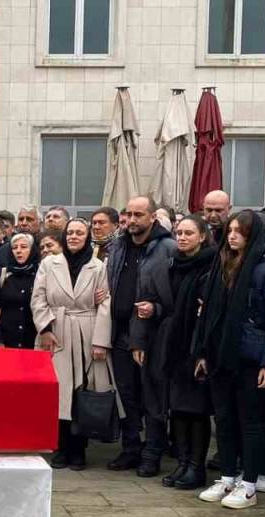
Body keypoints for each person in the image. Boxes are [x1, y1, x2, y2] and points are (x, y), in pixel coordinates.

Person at [194, 211, 265, 509]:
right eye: (230, 230)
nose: (232, 236)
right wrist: (203, 352)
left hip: (252, 358)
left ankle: (249, 484)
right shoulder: (221, 266)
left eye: (241, 231)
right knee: (224, 419)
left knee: (252, 422)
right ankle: (227, 476)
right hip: (221, 355)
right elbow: (208, 315)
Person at [131, 215, 215, 490]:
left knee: (196, 409)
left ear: (202, 236)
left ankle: (196, 467)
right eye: (179, 232)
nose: (182, 237)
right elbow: (162, 302)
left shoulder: (210, 265)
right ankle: (183, 463)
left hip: (196, 343)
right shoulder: (172, 265)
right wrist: (153, 309)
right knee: (177, 407)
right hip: (172, 343)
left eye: (189, 233)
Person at [31, 218, 114, 471]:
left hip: (87, 331)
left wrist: (100, 342)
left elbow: (105, 304)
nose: (74, 237)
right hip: (56, 332)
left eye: (79, 233)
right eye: (70, 233)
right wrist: (45, 329)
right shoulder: (49, 263)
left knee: (83, 391)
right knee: (59, 392)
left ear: (87, 237)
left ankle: (79, 449)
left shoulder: (98, 266)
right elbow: (38, 298)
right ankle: (60, 447)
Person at [104, 196, 177, 476]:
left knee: (152, 397)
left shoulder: (167, 248)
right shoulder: (119, 246)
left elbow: (176, 295)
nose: (132, 220)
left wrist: (156, 308)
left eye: (139, 215)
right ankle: (131, 448)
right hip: (119, 332)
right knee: (127, 395)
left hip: (151, 335)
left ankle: (152, 452)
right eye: (129, 214)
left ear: (152, 218)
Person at [0, 233, 40, 349]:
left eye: (23, 247)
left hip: (34, 342)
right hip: (6, 342)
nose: (18, 251)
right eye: (14, 248)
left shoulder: (40, 274)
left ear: (32, 250)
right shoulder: (1, 274)